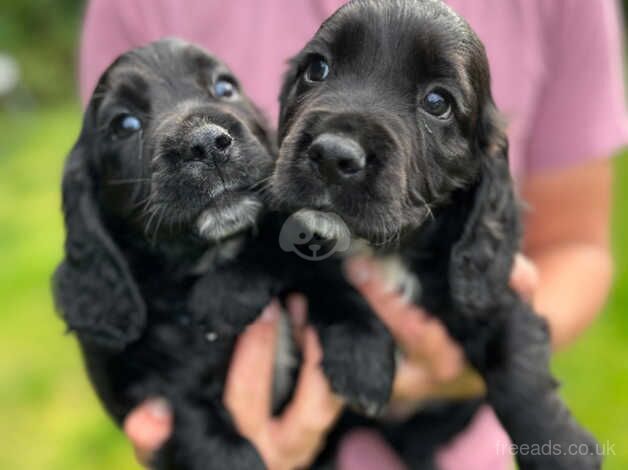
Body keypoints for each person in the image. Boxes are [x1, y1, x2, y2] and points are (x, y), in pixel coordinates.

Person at [79, 1, 627, 468]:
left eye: (438, 103)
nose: (339, 144)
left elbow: (564, 260)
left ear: (479, 164)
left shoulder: (461, 236)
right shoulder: (271, 230)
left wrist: (510, 405)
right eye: (316, 73)